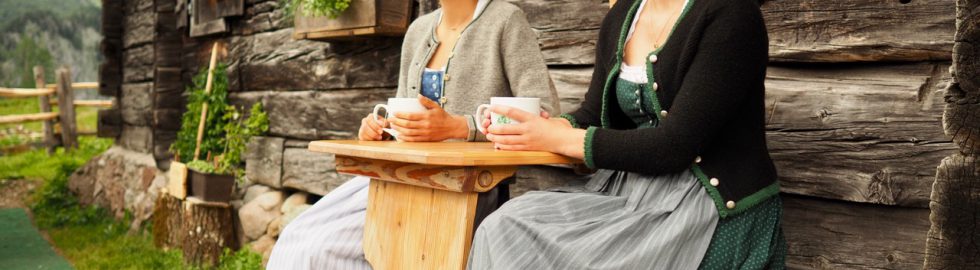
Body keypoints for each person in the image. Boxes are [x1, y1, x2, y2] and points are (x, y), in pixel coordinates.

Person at [469, 0, 785, 269]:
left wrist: (556, 139)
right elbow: (595, 115)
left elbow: (674, 146)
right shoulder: (626, 14)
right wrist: (545, 127)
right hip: (629, 192)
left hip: (707, 202)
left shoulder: (732, 15)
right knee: (504, 226)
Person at [266, 0, 559, 269]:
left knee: (317, 251)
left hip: (461, 187)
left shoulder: (506, 20)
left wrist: (461, 127)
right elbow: (402, 114)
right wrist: (382, 131)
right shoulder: (418, 30)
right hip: (397, 177)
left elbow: (544, 112)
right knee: (298, 239)